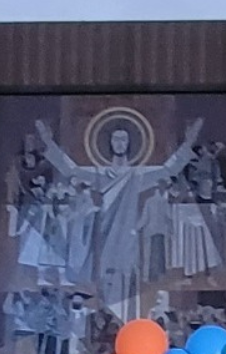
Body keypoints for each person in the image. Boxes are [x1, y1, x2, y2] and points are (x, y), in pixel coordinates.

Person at [34, 116, 203, 318]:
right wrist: (48, 142)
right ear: (109, 143)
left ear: (130, 143)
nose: (120, 143)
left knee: (128, 286)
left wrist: (189, 142)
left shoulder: (137, 175)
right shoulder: (99, 174)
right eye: (116, 139)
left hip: (128, 240)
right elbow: (71, 170)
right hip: (105, 238)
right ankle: (106, 328)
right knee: (107, 285)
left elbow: (168, 169)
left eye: (124, 139)